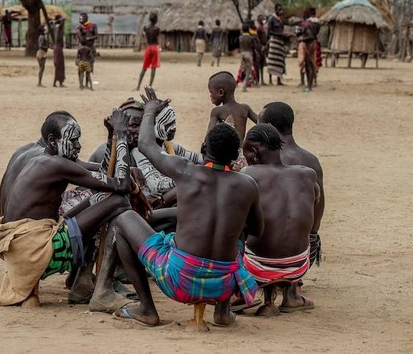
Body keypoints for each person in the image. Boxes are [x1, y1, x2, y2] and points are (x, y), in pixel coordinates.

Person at [110, 91, 262, 329]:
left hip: (179, 281)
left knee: (125, 218)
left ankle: (147, 309)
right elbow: (257, 230)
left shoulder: (187, 172)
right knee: (239, 237)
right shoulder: (247, 185)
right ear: (235, 155)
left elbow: (146, 143)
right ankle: (223, 311)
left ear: (205, 148)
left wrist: (150, 109)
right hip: (224, 286)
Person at [0, 111, 132, 307]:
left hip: (21, 250)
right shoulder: (57, 165)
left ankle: (83, 282)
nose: (79, 146)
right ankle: (103, 289)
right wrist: (122, 136)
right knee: (118, 201)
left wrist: (111, 137)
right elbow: (122, 185)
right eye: (74, 140)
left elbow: (101, 172)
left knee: (99, 199)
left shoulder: (45, 158)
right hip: (34, 252)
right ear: (52, 140)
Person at [241, 124, 318, 315]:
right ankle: (292, 295)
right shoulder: (307, 174)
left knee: (238, 226)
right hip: (299, 264)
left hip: (257, 267)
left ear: (254, 151)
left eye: (246, 154)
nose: (245, 159)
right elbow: (314, 201)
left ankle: (240, 295)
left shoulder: (248, 175)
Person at [258, 102, 325, 268]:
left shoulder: (265, 159)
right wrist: (312, 239)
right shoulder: (311, 160)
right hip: (305, 252)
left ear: (268, 127)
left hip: (267, 252)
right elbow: (319, 206)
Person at [207, 71, 259, 145]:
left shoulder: (217, 111)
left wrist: (204, 147)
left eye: (211, 92)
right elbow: (262, 122)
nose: (210, 96)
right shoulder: (245, 108)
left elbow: (209, 137)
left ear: (221, 92)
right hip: (241, 153)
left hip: (226, 154)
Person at [136, 12, 161, 90]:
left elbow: (146, 36)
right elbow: (157, 38)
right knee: (153, 67)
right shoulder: (157, 29)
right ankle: (150, 86)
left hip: (148, 47)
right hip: (155, 47)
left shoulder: (145, 28)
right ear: (156, 20)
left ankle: (138, 86)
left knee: (144, 67)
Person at [266, 4, 289, 85]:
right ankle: (270, 80)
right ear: (275, 10)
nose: (281, 11)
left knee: (280, 61)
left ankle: (279, 80)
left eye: (281, 9)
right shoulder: (271, 19)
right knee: (272, 61)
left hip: (280, 42)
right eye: (279, 10)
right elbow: (269, 32)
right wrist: (279, 34)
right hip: (274, 42)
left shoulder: (280, 20)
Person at [237, 22, 256, 88]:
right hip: (248, 53)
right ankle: (245, 84)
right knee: (248, 70)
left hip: (242, 54)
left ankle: (240, 81)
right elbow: (253, 46)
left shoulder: (240, 38)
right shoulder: (250, 37)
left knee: (242, 68)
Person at [51, 14, 66, 88]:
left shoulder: (56, 27)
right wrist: (61, 20)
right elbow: (62, 21)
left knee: (60, 66)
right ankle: (55, 82)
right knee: (58, 65)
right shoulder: (57, 27)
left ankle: (60, 82)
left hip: (58, 48)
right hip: (58, 48)